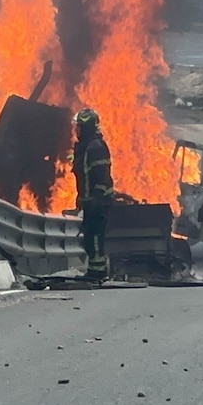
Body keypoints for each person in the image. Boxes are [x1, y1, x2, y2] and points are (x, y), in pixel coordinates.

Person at [71, 108, 114, 281]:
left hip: (99, 201)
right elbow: (83, 176)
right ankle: (95, 270)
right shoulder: (85, 146)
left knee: (95, 237)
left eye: (80, 127)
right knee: (90, 236)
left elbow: (102, 175)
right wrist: (81, 198)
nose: (77, 130)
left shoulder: (94, 146)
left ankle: (98, 272)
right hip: (90, 200)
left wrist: (97, 197)